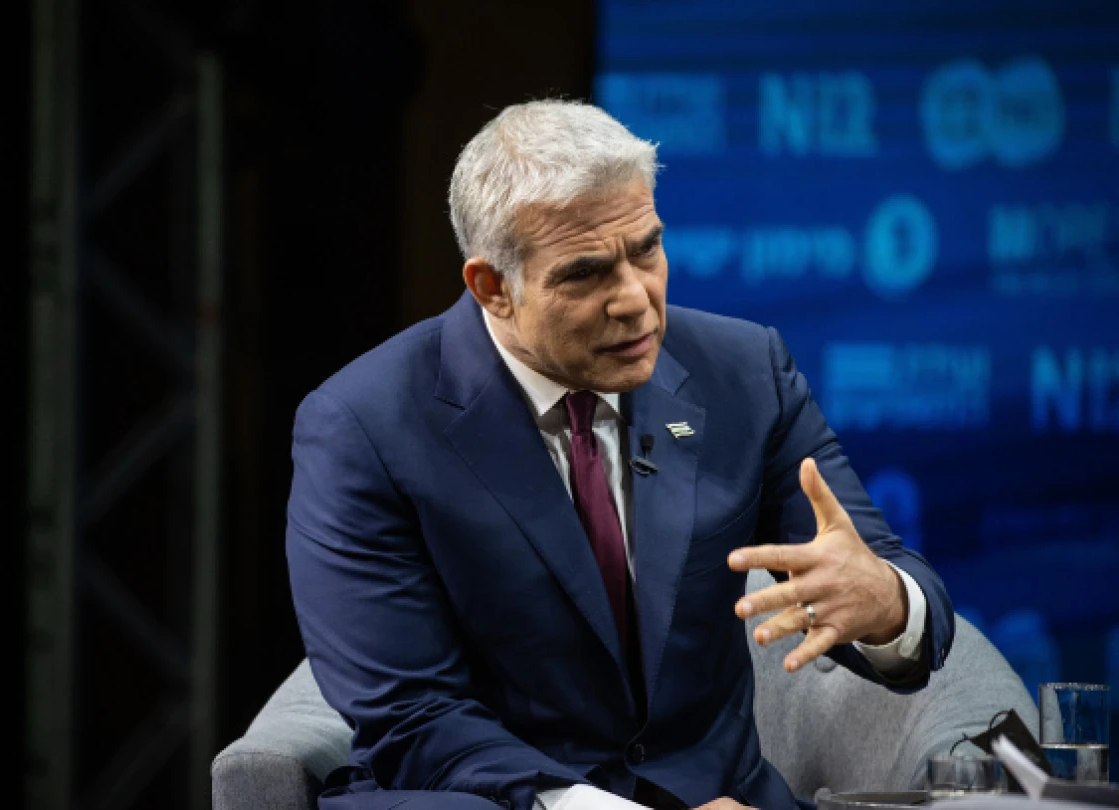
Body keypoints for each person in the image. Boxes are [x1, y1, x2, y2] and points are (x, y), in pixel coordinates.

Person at [285, 100, 954, 810]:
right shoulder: (364, 425)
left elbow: (901, 592)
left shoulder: (745, 371)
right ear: (492, 288)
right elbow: (413, 717)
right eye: (585, 274)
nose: (636, 300)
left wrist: (884, 600)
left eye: (646, 250)